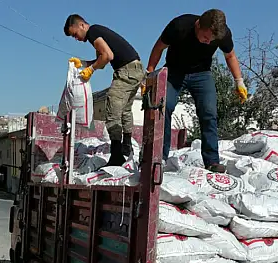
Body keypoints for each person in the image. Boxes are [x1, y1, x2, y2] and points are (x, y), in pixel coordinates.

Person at [146, 9, 248, 172]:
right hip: (174, 72)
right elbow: (159, 48)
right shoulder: (179, 25)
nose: (208, 43)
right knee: (164, 107)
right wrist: (150, 75)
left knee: (209, 112)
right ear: (198, 25)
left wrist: (239, 81)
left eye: (212, 40)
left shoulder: (223, 33)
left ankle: (212, 161)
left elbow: (230, 56)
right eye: (206, 38)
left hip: (202, 74)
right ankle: (160, 158)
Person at [64, 14, 145, 166]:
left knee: (112, 109)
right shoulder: (97, 32)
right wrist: (83, 63)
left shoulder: (93, 32)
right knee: (125, 110)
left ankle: (116, 155)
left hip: (126, 71)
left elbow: (108, 56)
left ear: (81, 25)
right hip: (136, 69)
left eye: (75, 34)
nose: (76, 38)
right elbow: (102, 61)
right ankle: (127, 148)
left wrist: (91, 70)